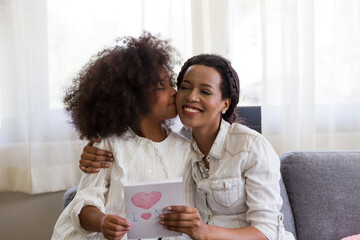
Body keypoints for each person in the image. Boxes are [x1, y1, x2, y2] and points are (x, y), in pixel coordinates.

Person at [80, 54, 295, 240]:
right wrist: (97, 148)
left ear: (225, 104)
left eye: (206, 91)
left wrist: (204, 231)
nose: (191, 97)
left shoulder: (250, 148)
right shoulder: (177, 145)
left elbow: (268, 231)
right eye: (185, 87)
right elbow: (140, 146)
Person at [52, 32, 194, 240]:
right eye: (161, 87)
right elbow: (85, 200)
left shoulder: (185, 148)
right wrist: (102, 221)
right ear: (131, 99)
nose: (174, 92)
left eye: (171, 84)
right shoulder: (109, 144)